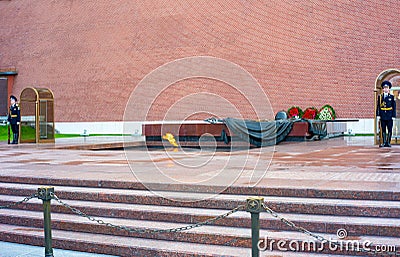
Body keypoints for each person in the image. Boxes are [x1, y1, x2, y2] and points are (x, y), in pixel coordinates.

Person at [376, 81, 396, 147]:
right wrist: (378, 115)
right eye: (384, 88)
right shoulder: (380, 96)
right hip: (383, 115)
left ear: (389, 89)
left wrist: (393, 115)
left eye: (387, 88)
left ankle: (388, 142)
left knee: (390, 129)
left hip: (389, 115)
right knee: (383, 129)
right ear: (383, 89)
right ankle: (384, 142)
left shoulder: (392, 97)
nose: (386, 89)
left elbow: (394, 106)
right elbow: (378, 106)